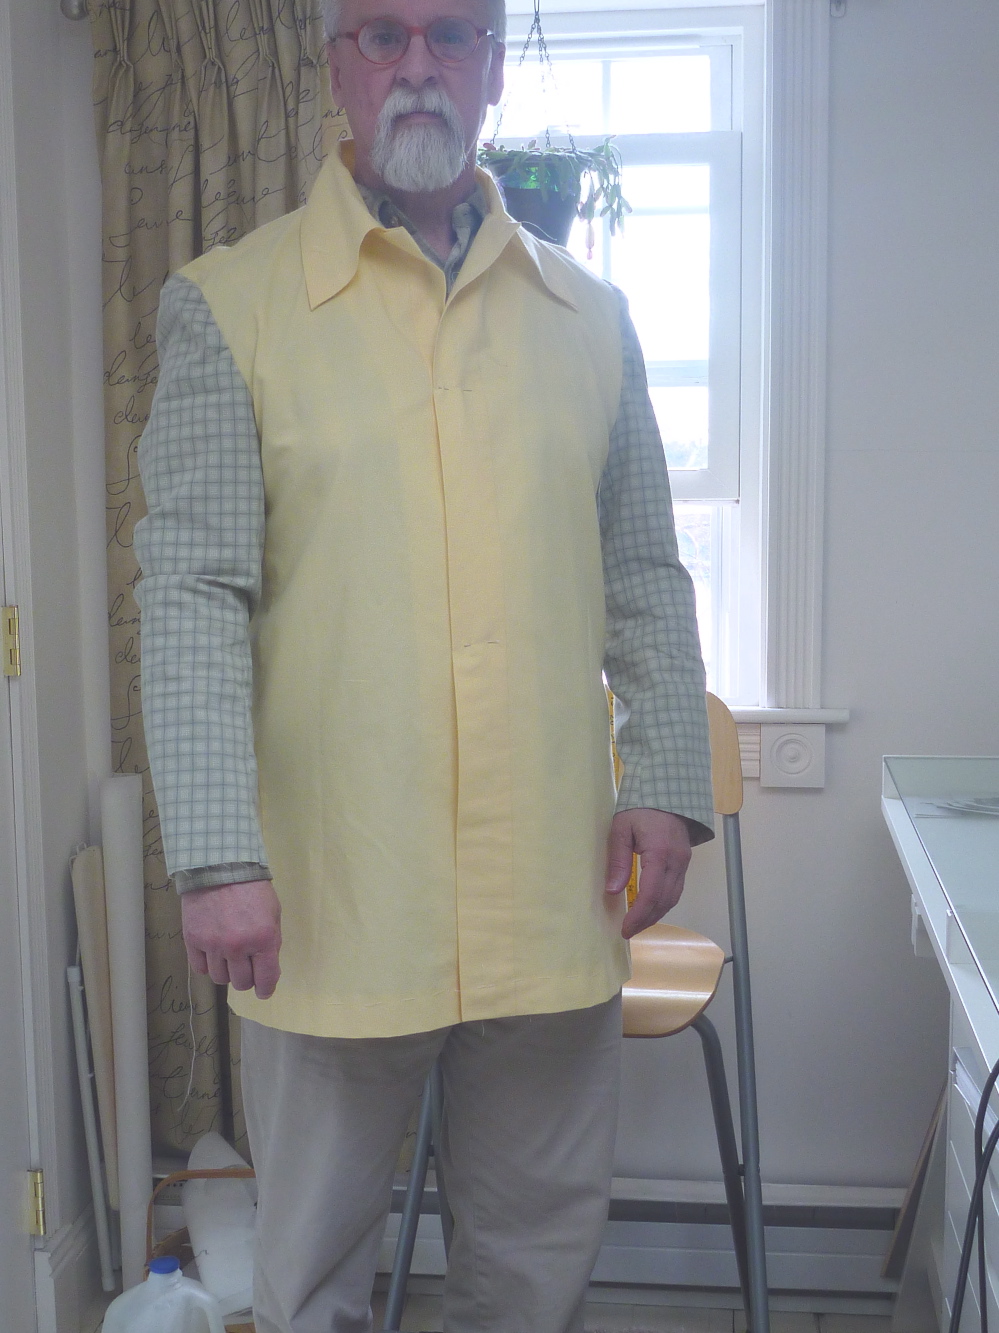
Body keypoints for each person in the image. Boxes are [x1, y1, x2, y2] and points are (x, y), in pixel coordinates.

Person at [135, 0, 715, 1323]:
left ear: (493, 67)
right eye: (381, 36)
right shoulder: (232, 307)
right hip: (332, 896)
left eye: (450, 36)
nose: (416, 68)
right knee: (311, 1271)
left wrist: (667, 785)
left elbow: (643, 573)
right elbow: (193, 595)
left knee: (533, 1265)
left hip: (549, 890)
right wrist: (217, 859)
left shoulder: (590, 318)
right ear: (334, 62)